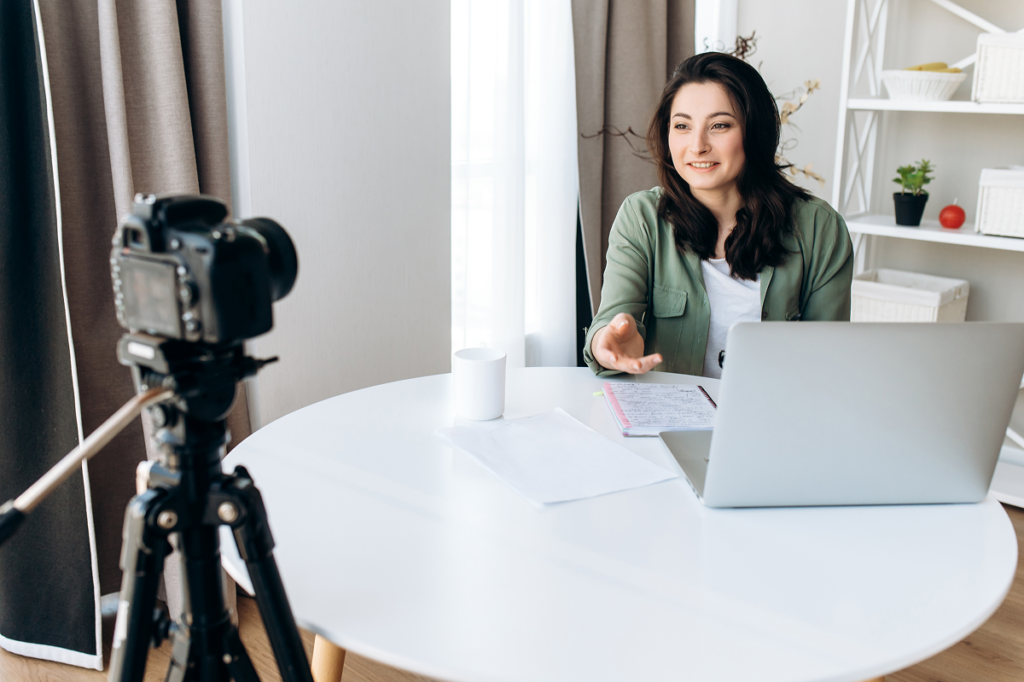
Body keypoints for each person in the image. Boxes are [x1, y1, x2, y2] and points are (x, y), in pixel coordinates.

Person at [584, 52, 853, 377]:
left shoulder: (820, 228)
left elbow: (828, 363)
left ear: (754, 131)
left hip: (774, 408)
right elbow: (612, 319)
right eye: (682, 126)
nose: (697, 145)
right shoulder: (641, 218)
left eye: (719, 125)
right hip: (671, 409)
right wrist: (607, 343)